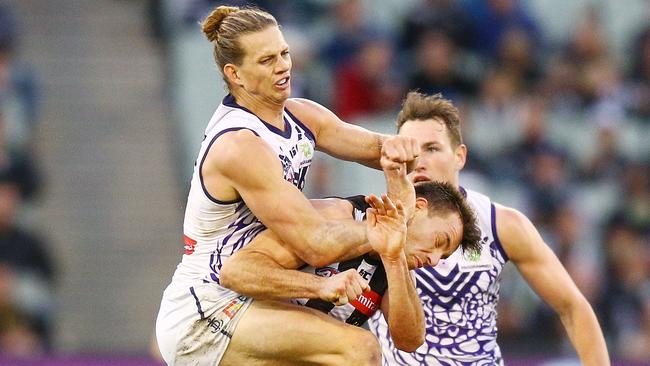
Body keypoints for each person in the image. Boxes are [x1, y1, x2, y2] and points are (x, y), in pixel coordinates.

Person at [155, 5, 419, 366]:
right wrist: (389, 230)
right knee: (359, 350)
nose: (283, 66)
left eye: (284, 54)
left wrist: (405, 148)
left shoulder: (300, 115)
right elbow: (316, 244)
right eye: (266, 60)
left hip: (256, 290)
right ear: (236, 74)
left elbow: (380, 149)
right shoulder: (240, 146)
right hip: (208, 309)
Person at [368, 91, 610, 365]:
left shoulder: (500, 224)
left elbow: (573, 307)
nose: (419, 160)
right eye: (410, 149)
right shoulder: (375, 224)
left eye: (432, 148)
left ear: (460, 156)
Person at [219, 180, 481, 358]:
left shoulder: (398, 266)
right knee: (363, 348)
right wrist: (320, 285)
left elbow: (410, 340)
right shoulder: (335, 216)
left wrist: (394, 260)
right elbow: (236, 272)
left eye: (442, 256)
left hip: (297, 354)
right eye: (439, 242)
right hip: (230, 333)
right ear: (419, 207)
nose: (434, 260)